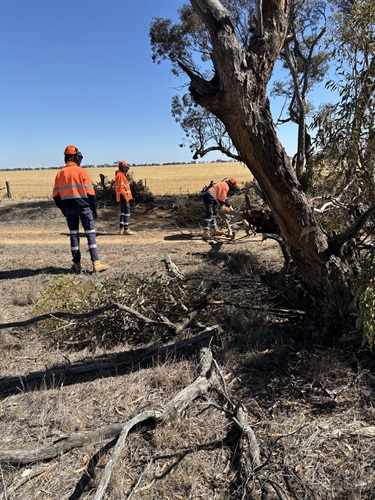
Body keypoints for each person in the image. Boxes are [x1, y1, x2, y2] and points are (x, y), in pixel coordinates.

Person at [53, 145, 109, 273]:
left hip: (69, 209)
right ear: (74, 157)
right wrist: (94, 209)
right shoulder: (81, 172)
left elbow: (56, 196)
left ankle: (77, 264)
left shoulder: (60, 174)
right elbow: (91, 194)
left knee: (73, 235)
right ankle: (96, 263)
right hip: (84, 207)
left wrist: (64, 209)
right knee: (90, 234)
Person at [115, 160, 134, 235]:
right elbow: (121, 188)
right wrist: (126, 196)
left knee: (123, 212)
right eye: (125, 167)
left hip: (122, 196)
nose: (127, 169)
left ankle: (121, 229)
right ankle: (126, 229)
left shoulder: (120, 175)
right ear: (122, 167)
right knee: (127, 212)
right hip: (123, 197)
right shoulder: (120, 176)